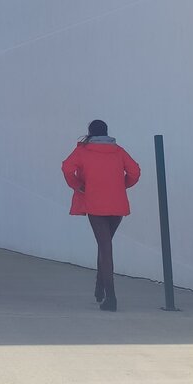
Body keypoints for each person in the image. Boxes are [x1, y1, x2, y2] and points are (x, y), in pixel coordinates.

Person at [61, 120, 140, 311]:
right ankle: (99, 286)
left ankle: (110, 297)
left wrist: (78, 185)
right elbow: (135, 171)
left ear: (90, 132)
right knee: (105, 244)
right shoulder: (118, 151)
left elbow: (67, 168)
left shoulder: (83, 151)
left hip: (95, 203)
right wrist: (122, 185)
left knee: (105, 247)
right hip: (117, 204)